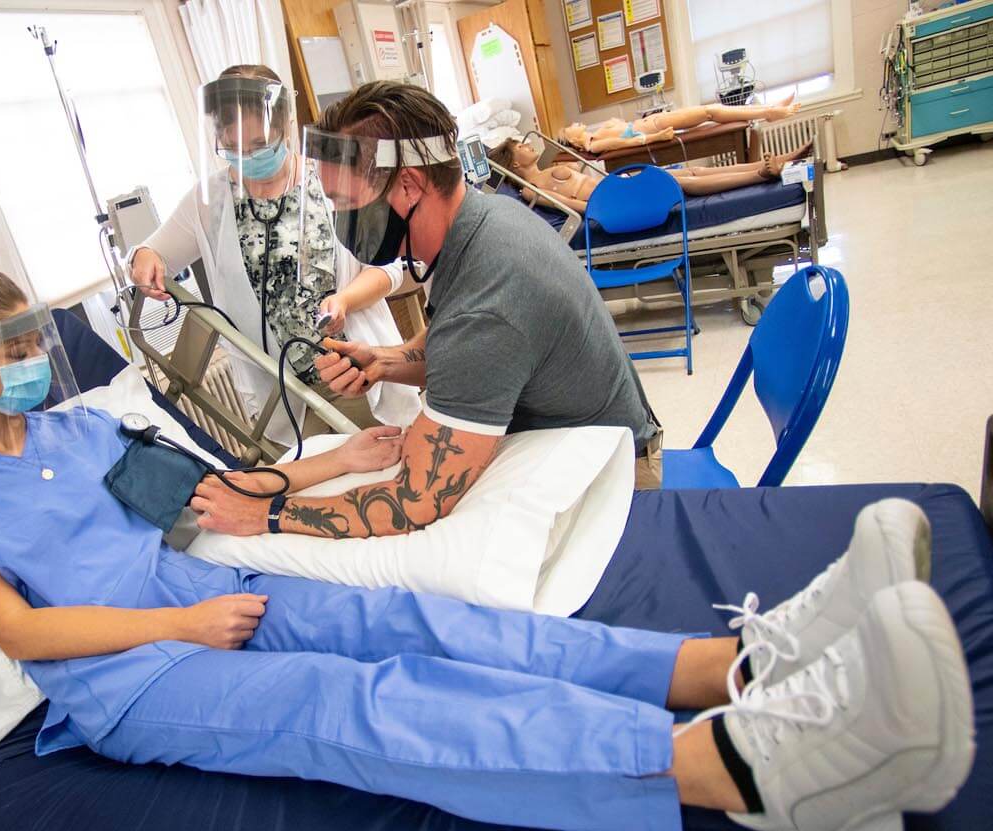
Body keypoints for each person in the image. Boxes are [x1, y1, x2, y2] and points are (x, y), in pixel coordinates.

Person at [0, 266, 976, 831]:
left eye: (31, 338)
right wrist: (176, 631)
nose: (27, 362)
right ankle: (740, 771)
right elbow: (22, 637)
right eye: (0, 349)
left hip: (203, 601)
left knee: (432, 626)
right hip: (133, 678)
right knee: (358, 701)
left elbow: (203, 498)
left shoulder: (79, 436)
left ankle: (735, 666)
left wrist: (332, 462)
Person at [189, 81, 663, 543]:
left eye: (347, 205)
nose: (341, 225)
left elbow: (415, 501)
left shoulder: (490, 296)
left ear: (409, 185)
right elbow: (453, 343)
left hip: (616, 486)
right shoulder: (483, 221)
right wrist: (384, 363)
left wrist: (267, 513)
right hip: (584, 442)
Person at [128, 65, 419, 442]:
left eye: (260, 146)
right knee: (317, 490)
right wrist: (144, 257)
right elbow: (152, 251)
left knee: (393, 471)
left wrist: (345, 299)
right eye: (234, 149)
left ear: (286, 125)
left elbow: (391, 267)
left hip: (355, 369)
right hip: (281, 395)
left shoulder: (330, 175)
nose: (247, 160)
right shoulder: (210, 200)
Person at [489, 137, 816, 214]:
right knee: (683, 182)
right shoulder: (532, 191)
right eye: (519, 145)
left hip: (619, 187)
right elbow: (576, 207)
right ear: (513, 163)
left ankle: (778, 162)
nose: (528, 144)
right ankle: (762, 174)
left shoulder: (547, 169)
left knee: (690, 170)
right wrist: (613, 206)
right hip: (614, 200)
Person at [561, 96, 802, 153]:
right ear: (571, 139)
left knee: (711, 112)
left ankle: (768, 111)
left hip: (653, 122)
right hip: (655, 126)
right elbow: (630, 141)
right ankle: (768, 112)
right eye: (569, 126)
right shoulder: (594, 145)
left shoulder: (595, 135)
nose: (574, 122)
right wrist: (659, 138)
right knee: (709, 111)